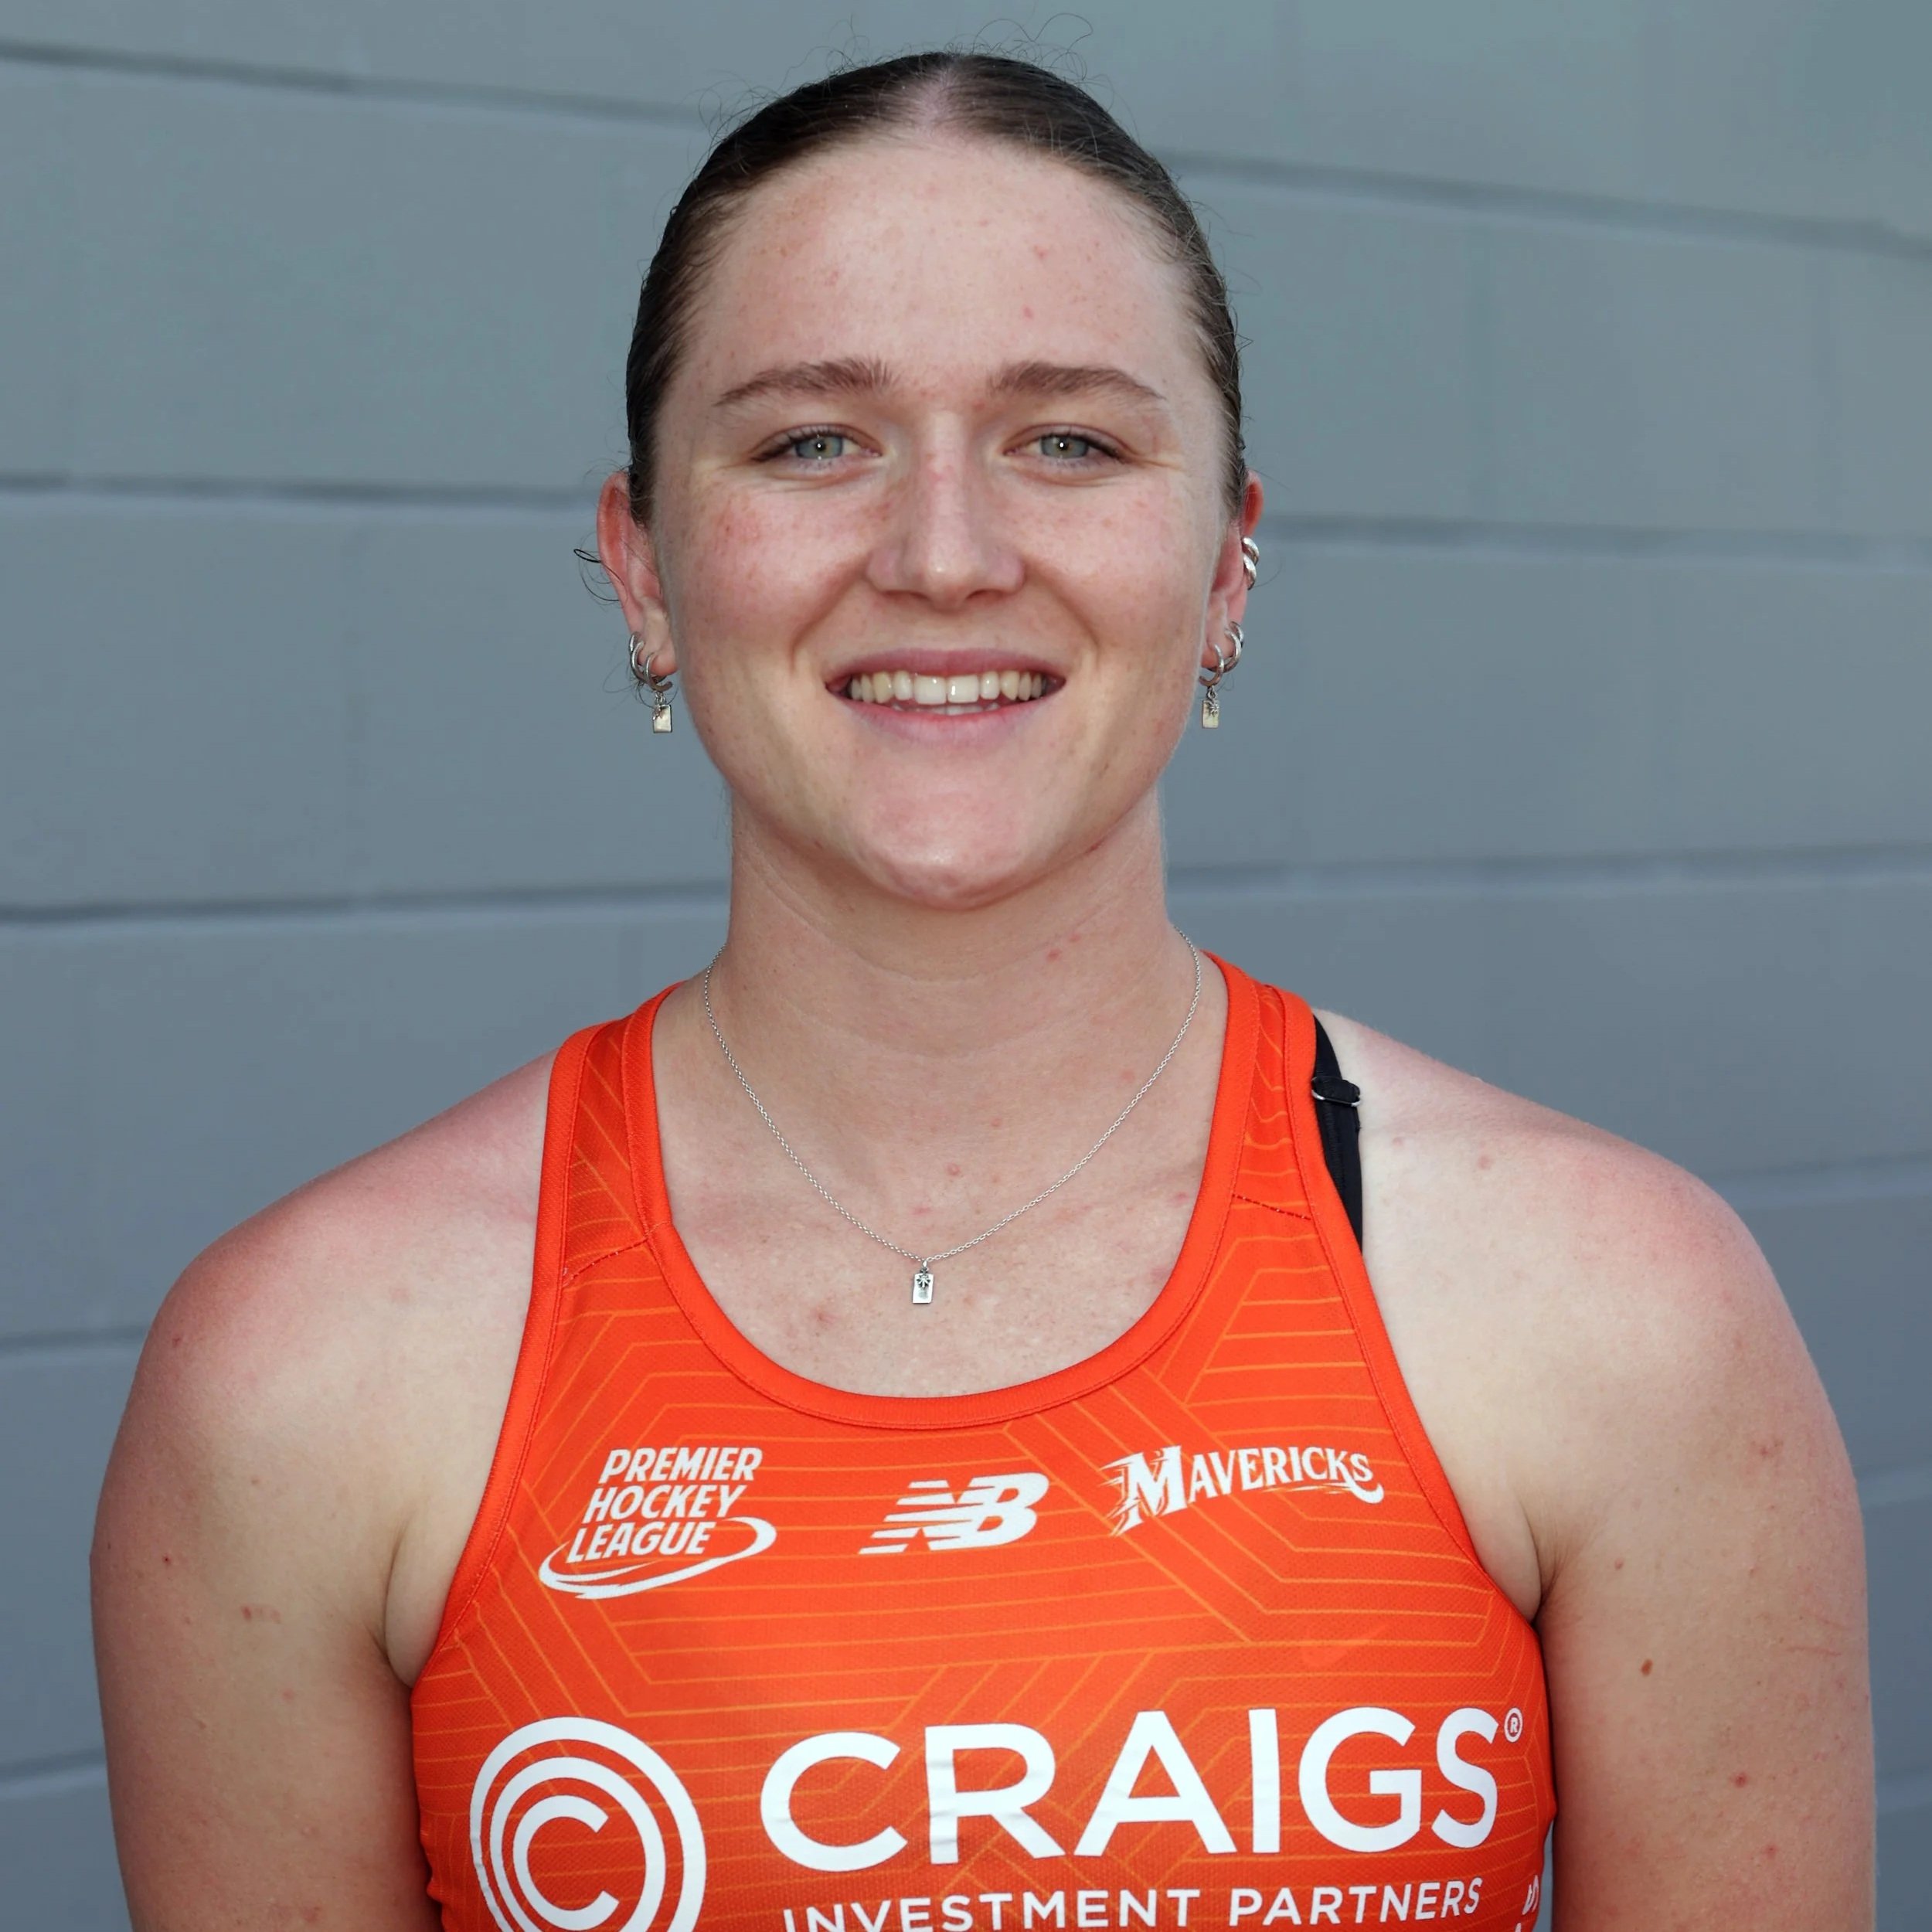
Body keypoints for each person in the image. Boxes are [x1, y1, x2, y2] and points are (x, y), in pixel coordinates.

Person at [92, 49, 1873, 1932]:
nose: (944, 554)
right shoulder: (305, 1371)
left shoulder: (1612, 1309)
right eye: (811, 441)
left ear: (1227, 564)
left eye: (1069, 442)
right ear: (643, 568)